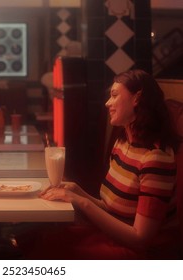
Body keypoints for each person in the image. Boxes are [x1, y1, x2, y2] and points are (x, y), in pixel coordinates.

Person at [17, 69, 179, 259]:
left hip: (140, 253)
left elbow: (140, 238)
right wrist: (76, 190)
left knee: (48, 246)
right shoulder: (123, 144)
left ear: (137, 98)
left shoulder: (155, 157)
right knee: (35, 235)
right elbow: (112, 209)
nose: (107, 103)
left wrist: (81, 201)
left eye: (114, 95)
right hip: (114, 237)